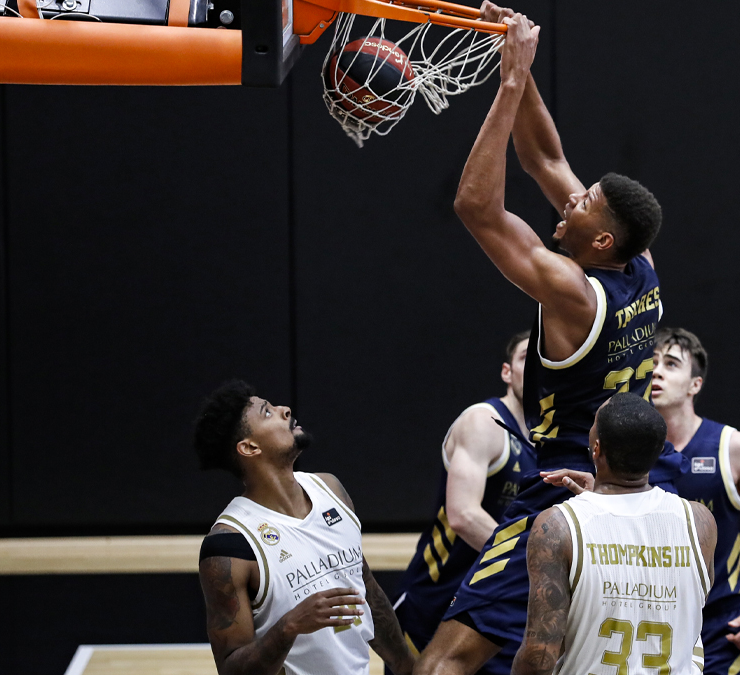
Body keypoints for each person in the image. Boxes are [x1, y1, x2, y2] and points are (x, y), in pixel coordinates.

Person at [416, 8, 680, 675]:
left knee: (442, 661)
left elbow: (476, 208)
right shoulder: (639, 266)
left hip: (563, 488)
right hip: (632, 490)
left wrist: (507, 88)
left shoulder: (572, 293)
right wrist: (520, 61)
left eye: (582, 204)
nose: (570, 198)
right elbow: (544, 157)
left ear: (598, 242)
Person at [551, 329, 740, 675]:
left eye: (671, 364)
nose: (657, 372)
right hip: (635, 617)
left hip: (716, 626)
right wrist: (598, 496)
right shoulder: (619, 449)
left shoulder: (732, 448)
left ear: (694, 384)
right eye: (652, 362)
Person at [193, 380, 415, 675]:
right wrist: (288, 627)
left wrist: (407, 665)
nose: (285, 410)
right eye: (267, 413)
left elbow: (365, 588)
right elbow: (232, 669)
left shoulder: (331, 489)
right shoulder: (230, 545)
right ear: (249, 447)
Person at [513, 393, 717, 675]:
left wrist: (597, 503)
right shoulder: (699, 522)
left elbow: (538, 658)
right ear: (657, 453)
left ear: (596, 449)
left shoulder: (559, 526)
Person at [390, 332, 535, 675]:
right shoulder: (483, 421)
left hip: (498, 603)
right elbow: (464, 516)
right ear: (507, 372)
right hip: (438, 599)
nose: (538, 365)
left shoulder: (556, 437)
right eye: (527, 357)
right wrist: (534, 563)